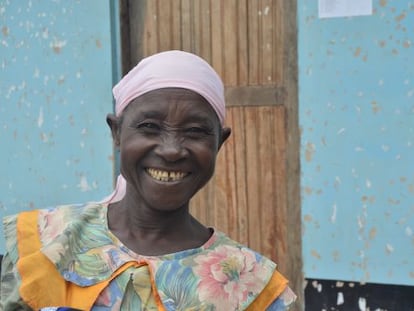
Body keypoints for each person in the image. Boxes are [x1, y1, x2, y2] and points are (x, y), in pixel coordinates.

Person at [0, 50, 296, 310]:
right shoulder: (44, 242)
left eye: (195, 131)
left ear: (219, 143)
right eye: (149, 126)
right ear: (117, 133)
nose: (171, 150)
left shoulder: (250, 286)